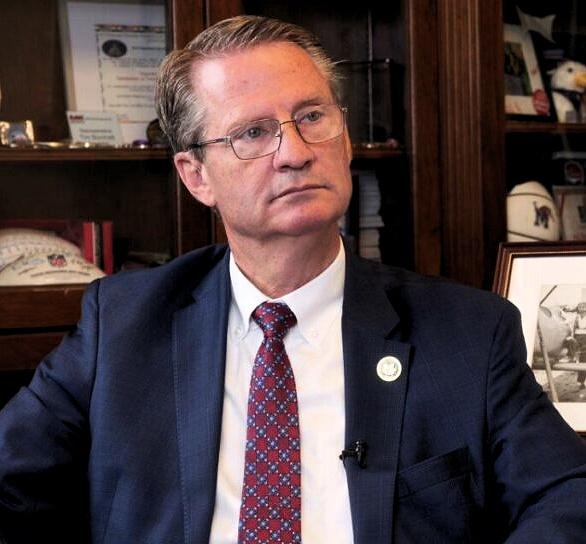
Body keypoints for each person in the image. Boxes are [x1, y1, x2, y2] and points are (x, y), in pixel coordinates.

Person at [1, 15, 586, 543]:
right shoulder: (122, 325)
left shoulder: (468, 333)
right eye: (253, 133)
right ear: (196, 175)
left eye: (311, 117)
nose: (295, 152)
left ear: (346, 138)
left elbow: (567, 494)